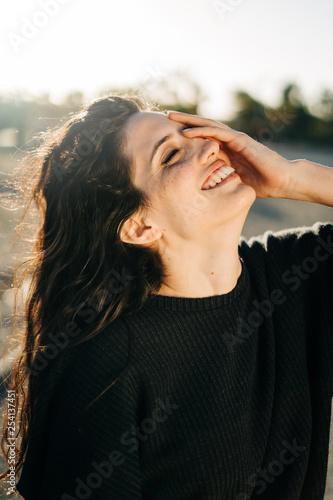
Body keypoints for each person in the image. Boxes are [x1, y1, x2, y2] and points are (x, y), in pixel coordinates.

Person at [0, 93, 332, 499]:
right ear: (139, 227)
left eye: (195, 132)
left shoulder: (299, 273)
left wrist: (295, 177)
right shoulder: (105, 368)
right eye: (171, 155)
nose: (212, 144)